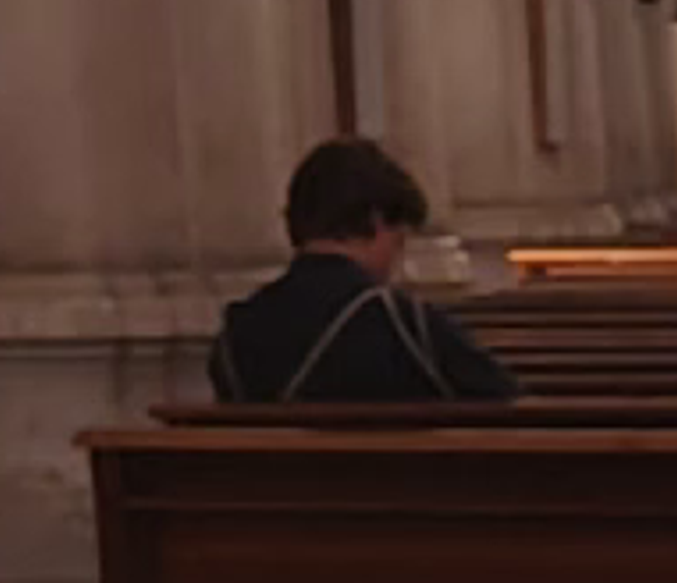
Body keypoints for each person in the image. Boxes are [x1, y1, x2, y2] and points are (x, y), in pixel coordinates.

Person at [209, 134, 519, 412]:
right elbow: (505, 401)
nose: (396, 263)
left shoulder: (236, 333)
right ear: (377, 221)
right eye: (399, 241)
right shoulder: (404, 326)